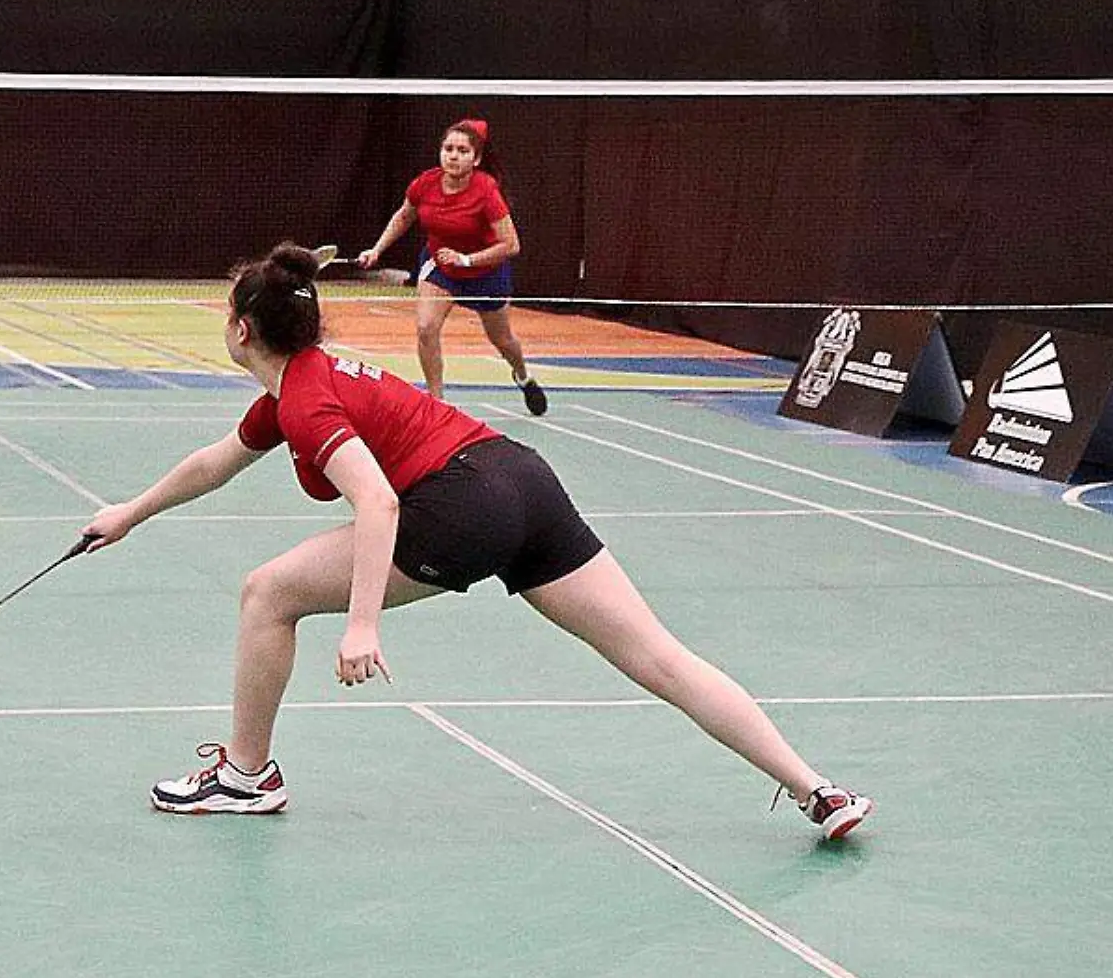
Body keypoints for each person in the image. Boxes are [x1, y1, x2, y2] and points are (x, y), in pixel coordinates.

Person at [82, 242, 873, 841]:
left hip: (462, 501)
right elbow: (217, 462)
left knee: (267, 594)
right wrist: (130, 511)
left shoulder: (309, 403)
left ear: (242, 329)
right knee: (659, 657)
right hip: (523, 480)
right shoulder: (298, 386)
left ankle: (246, 777)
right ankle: (818, 790)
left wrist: (363, 622)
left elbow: (379, 502)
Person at [357, 118, 542, 415]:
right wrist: (377, 250)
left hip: (486, 272)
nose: (453, 156)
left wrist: (466, 259)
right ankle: (437, 401)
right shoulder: (425, 183)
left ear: (476, 158)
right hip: (441, 267)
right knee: (426, 327)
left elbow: (511, 245)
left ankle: (522, 375)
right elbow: (404, 216)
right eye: (448, 149)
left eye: (462, 150)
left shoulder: (486, 190)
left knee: (502, 340)